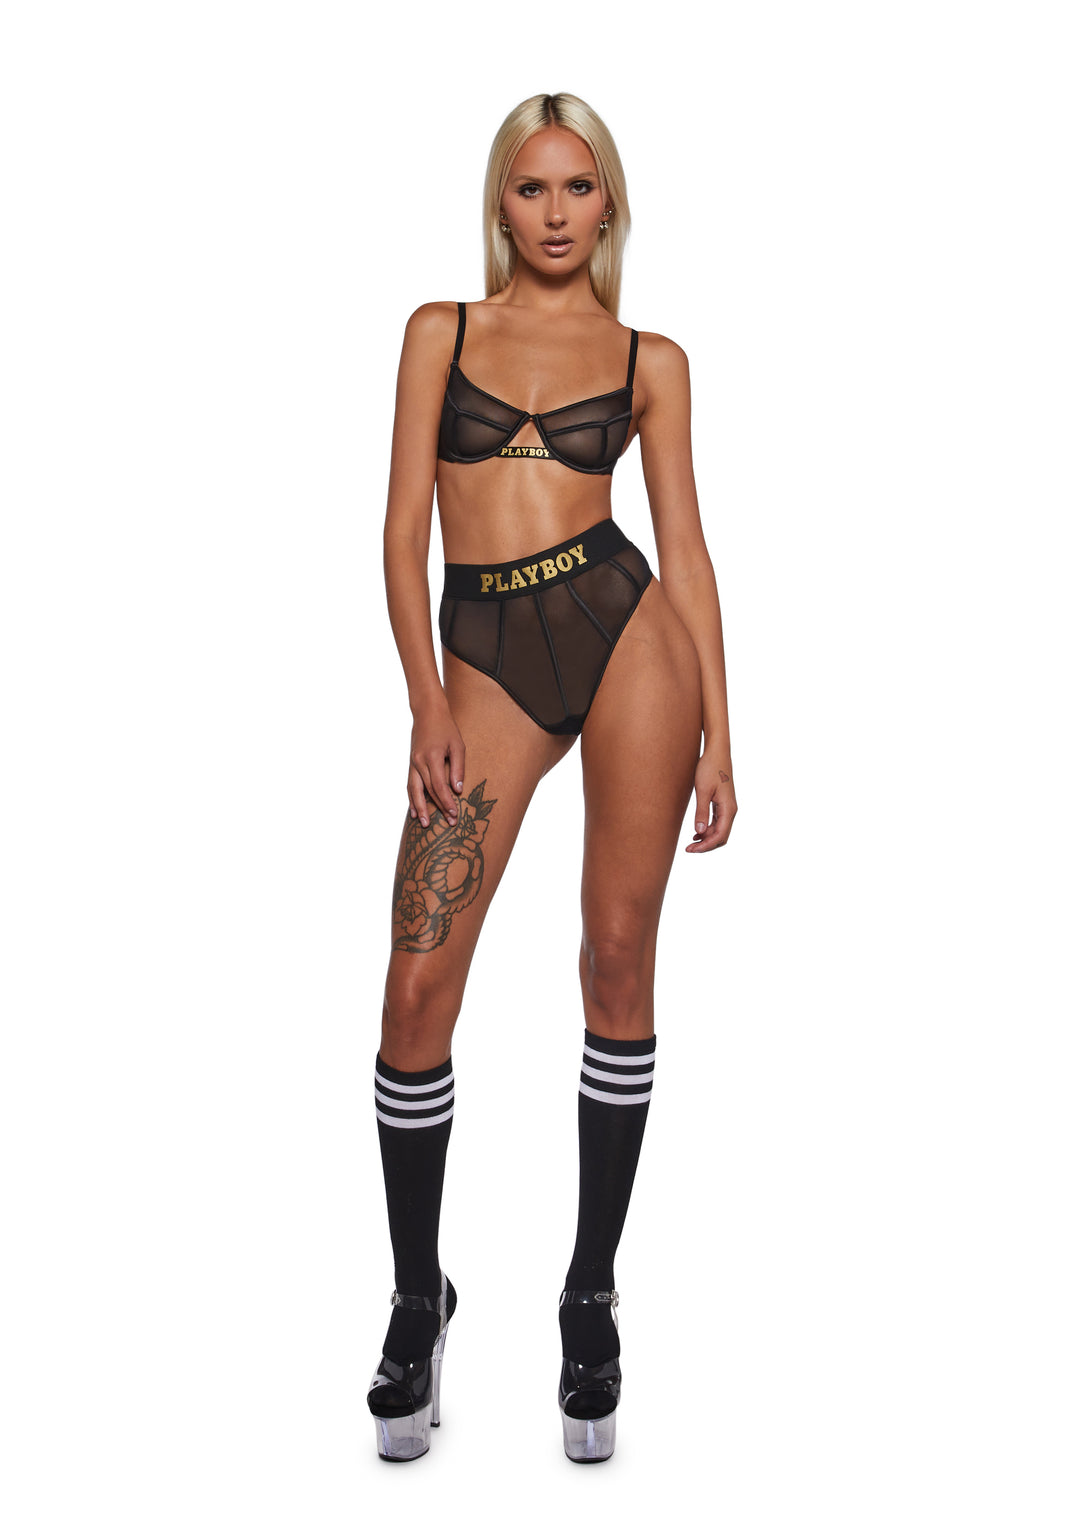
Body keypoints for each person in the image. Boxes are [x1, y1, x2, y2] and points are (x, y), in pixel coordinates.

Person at [367, 91, 737, 1464]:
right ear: (501, 202)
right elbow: (402, 529)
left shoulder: (650, 359)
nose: (557, 210)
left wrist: (722, 725)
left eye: (580, 186)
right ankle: (419, 1296)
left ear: (610, 202)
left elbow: (685, 547)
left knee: (618, 958)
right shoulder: (442, 332)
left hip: (628, 630)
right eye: (533, 188)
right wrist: (425, 701)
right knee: (417, 980)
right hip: (487, 653)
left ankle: (590, 1294)